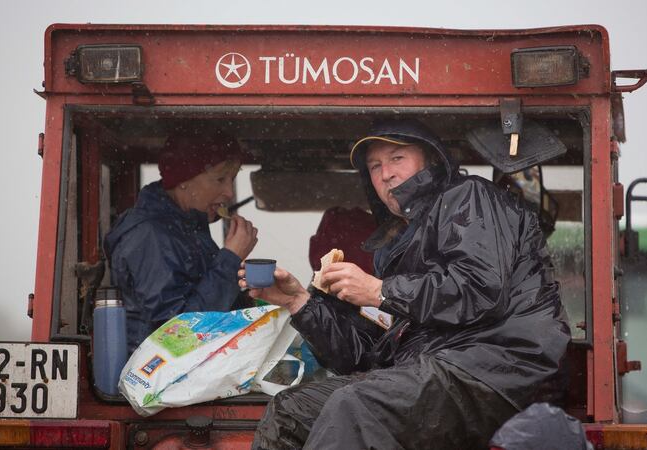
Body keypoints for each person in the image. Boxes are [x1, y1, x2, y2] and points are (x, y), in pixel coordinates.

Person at [239, 119, 570, 449]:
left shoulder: (469, 197)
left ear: (431, 159)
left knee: (355, 405)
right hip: (434, 368)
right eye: (375, 166)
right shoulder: (396, 247)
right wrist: (299, 302)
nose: (386, 174)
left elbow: (479, 289)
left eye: (397, 159)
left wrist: (379, 291)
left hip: (496, 366)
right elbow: (362, 360)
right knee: (290, 411)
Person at [105, 130, 258, 353]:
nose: (228, 193)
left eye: (232, 180)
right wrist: (231, 258)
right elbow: (178, 334)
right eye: (220, 179)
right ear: (183, 180)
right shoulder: (149, 235)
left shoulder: (188, 229)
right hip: (159, 379)